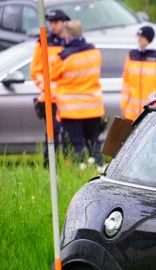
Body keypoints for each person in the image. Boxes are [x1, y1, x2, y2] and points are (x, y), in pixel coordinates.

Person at [50, 20, 105, 170]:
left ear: (67, 35)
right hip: (93, 108)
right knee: (94, 141)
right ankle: (99, 168)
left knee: (77, 144)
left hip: (72, 110)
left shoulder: (64, 57)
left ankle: (79, 170)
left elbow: (52, 75)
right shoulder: (95, 52)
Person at [31, 9, 69, 167]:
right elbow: (35, 71)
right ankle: (50, 166)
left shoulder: (71, 41)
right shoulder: (43, 42)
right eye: (51, 22)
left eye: (56, 22)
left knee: (68, 135)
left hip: (68, 98)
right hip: (50, 99)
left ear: (64, 22)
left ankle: (68, 166)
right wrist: (46, 88)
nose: (53, 25)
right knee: (52, 135)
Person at [120, 26, 156, 121]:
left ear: (149, 39)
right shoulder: (132, 56)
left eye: (142, 37)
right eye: (138, 37)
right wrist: (124, 106)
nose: (139, 39)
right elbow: (126, 83)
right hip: (132, 114)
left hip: (151, 113)